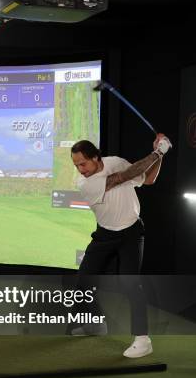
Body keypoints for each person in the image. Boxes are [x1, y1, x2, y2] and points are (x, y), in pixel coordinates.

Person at [69, 133, 171, 358]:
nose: (80, 169)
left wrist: (160, 155)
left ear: (96, 157)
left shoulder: (115, 161)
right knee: (84, 279)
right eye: (76, 165)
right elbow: (125, 176)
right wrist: (158, 152)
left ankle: (143, 340)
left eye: (83, 163)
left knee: (130, 284)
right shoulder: (85, 183)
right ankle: (95, 324)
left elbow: (147, 179)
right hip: (105, 234)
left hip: (131, 232)